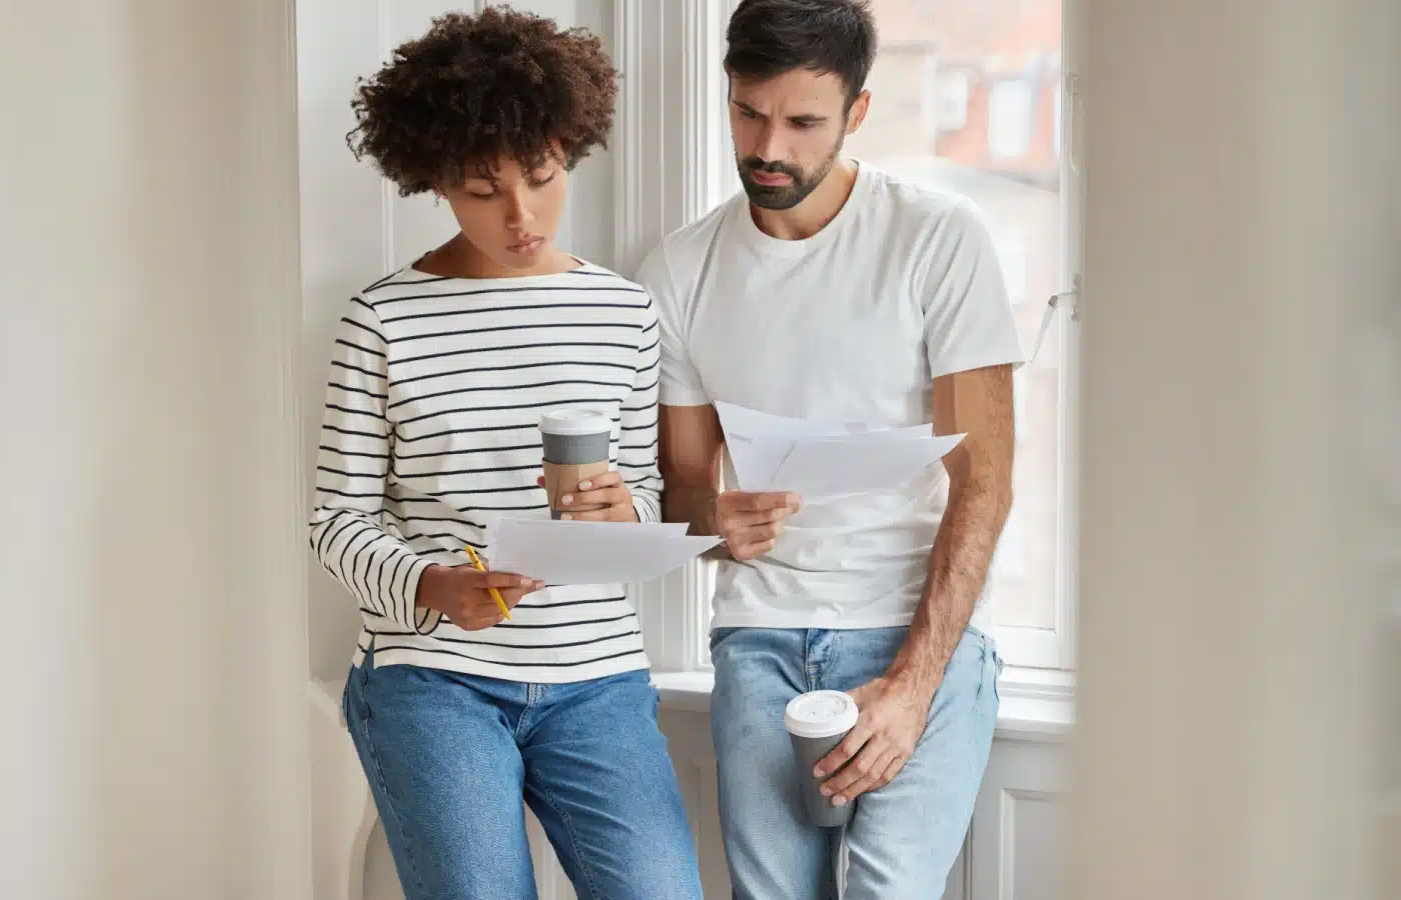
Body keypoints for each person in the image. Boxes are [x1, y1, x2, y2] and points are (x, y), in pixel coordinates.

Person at [311, 8, 701, 900]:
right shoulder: (382, 320)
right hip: (432, 679)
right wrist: (429, 586)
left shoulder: (624, 313)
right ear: (437, 180)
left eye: (541, 175)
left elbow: (643, 485)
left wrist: (626, 511)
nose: (521, 214)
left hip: (596, 678)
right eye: (484, 190)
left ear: (570, 150)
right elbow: (336, 519)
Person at [639, 0, 1024, 896]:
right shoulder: (680, 270)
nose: (768, 146)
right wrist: (713, 520)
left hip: (914, 622)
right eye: (748, 111)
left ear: (856, 113)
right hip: (761, 635)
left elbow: (987, 480)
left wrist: (913, 684)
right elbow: (684, 488)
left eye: (804, 121)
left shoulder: (936, 238)